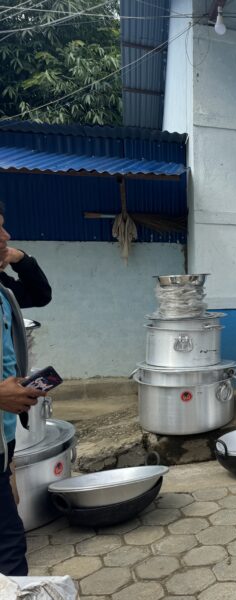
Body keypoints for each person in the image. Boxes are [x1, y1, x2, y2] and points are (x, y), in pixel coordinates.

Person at [0, 201, 52, 576]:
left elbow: (40, 294)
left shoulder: (3, 290)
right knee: (9, 547)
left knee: (9, 540)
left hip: (3, 438)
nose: (6, 236)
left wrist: (18, 257)